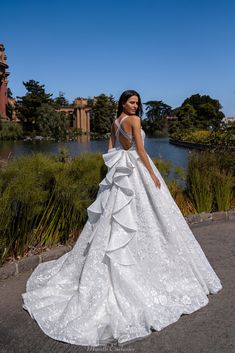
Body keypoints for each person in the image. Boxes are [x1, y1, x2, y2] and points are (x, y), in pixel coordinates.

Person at [22, 89, 222, 347]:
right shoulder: (135, 121)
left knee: (114, 218)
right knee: (147, 217)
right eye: (131, 102)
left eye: (137, 103)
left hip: (120, 172)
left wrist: (115, 162)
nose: (135, 106)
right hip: (137, 169)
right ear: (123, 103)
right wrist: (152, 174)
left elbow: (110, 147)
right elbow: (140, 149)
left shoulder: (115, 121)